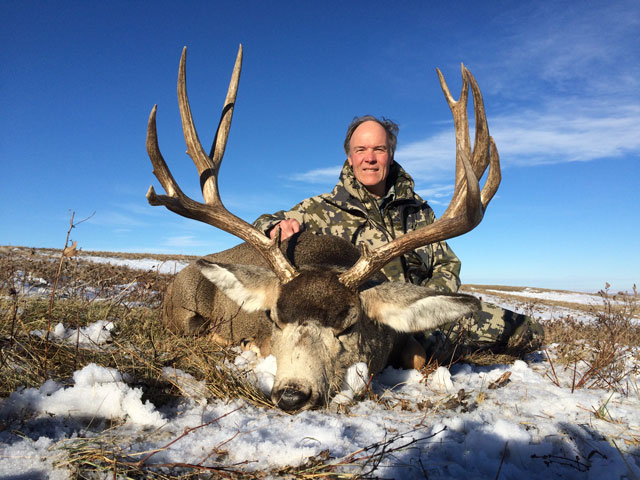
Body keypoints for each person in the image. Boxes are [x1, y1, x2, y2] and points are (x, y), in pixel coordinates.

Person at [253, 115, 544, 366]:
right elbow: (263, 221)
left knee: (528, 331)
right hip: (361, 319)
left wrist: (424, 308)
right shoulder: (320, 208)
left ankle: (430, 347)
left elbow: (446, 264)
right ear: (350, 156)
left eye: (379, 149)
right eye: (361, 149)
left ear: (390, 154)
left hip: (416, 312)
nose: (370, 158)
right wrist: (274, 226)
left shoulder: (417, 210)